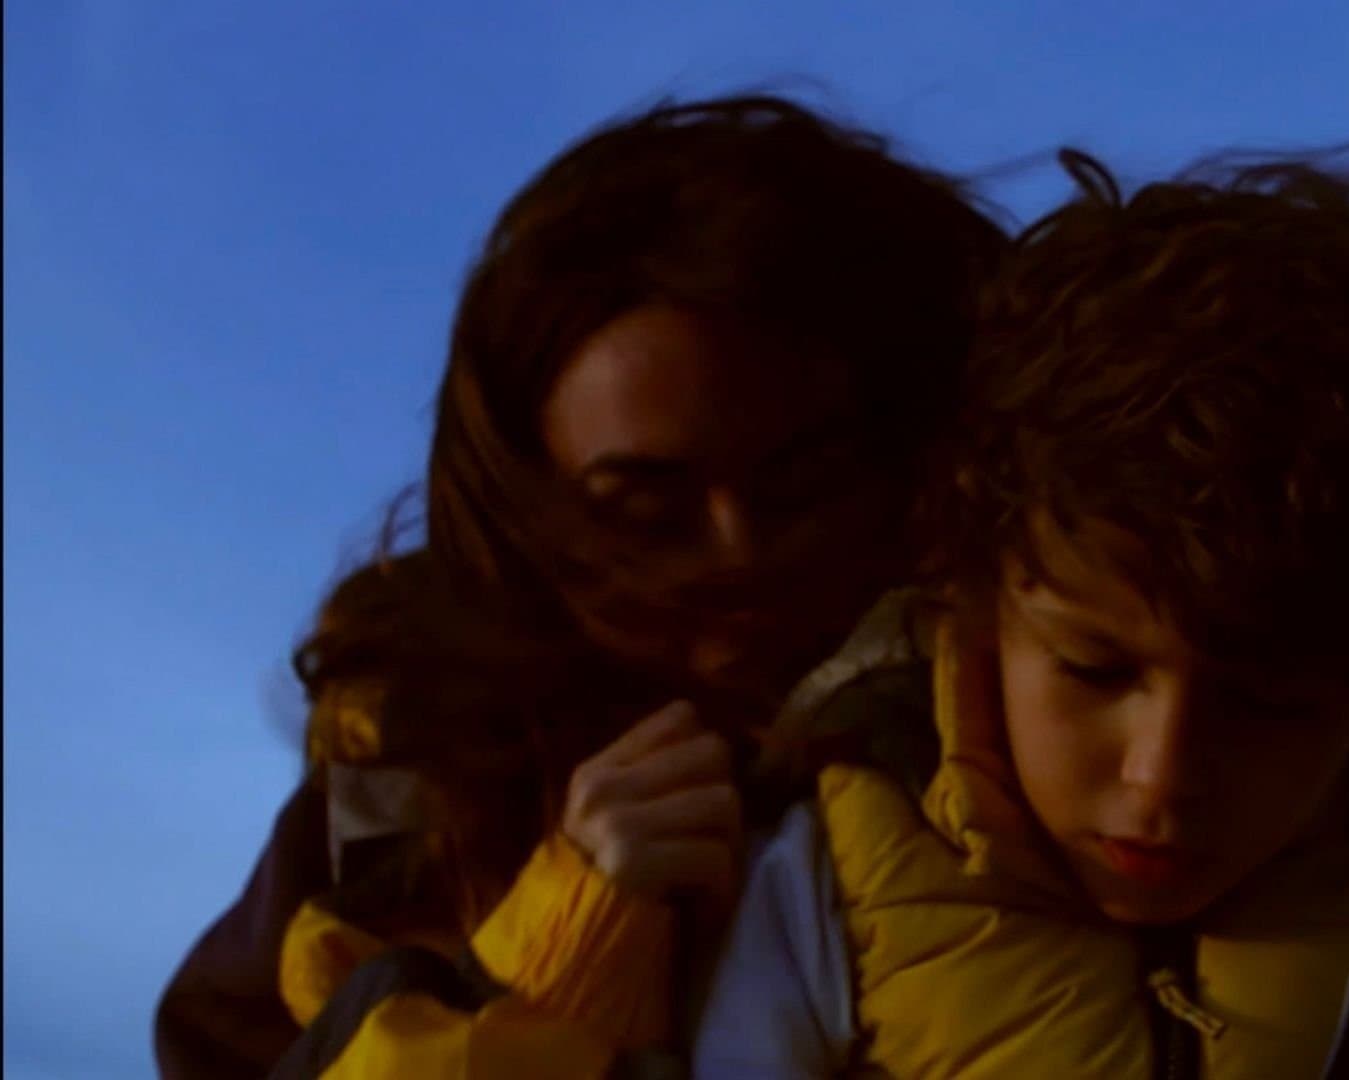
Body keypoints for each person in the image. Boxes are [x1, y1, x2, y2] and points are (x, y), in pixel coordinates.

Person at [692, 143, 1349, 1078]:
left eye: (1270, 705)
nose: (1162, 777)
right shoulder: (824, 891)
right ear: (974, 602)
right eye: (1095, 669)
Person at [152, 92, 1007, 1079]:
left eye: (799, 484)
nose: (735, 551)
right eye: (645, 511)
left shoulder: (1072, 694)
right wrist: (559, 957)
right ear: (527, 509)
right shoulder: (409, 763)